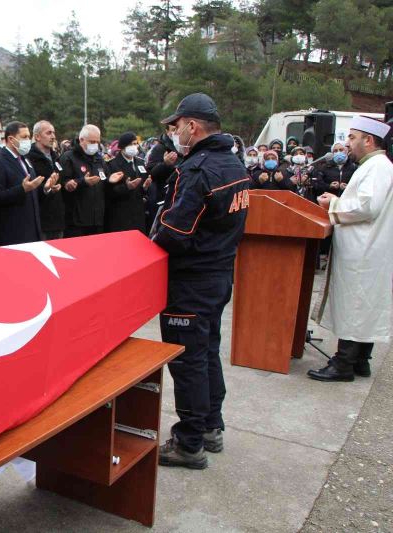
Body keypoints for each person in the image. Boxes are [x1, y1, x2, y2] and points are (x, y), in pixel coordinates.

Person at [151, 93, 249, 469]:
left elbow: (175, 232)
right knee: (207, 352)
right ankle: (211, 425)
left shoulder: (198, 170)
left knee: (189, 360)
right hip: (220, 274)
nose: (175, 134)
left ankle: (189, 442)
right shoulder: (234, 164)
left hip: (192, 281)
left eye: (176, 127)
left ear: (193, 126)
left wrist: (152, 243)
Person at [309, 116, 393, 382]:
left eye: (353, 138)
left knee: (355, 304)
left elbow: (366, 206)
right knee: (363, 304)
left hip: (364, 249)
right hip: (367, 247)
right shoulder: (376, 166)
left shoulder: (377, 167)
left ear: (369, 140)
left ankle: (344, 363)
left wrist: (333, 203)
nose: (348, 144)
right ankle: (360, 360)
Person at [0, 121, 53, 246]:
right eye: (24, 137)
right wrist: (22, 189)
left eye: (29, 137)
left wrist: (45, 188)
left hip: (33, 229)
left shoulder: (25, 159)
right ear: (11, 139)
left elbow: (31, 190)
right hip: (13, 232)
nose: (28, 140)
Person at [59, 125, 107, 237]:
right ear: (81, 140)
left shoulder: (99, 159)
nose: (95, 145)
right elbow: (63, 182)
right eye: (92, 141)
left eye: (97, 142)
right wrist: (82, 182)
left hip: (97, 219)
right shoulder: (68, 157)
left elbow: (104, 179)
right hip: (76, 222)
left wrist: (111, 180)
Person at [105, 132, 152, 234]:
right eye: (131, 144)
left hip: (138, 212)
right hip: (121, 214)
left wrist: (145, 187)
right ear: (123, 147)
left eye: (136, 144)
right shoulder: (112, 164)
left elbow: (142, 185)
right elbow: (109, 191)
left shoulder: (140, 162)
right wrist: (127, 187)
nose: (135, 147)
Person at [26, 120, 64, 241]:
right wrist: (45, 188)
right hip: (40, 219)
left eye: (53, 133)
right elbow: (28, 186)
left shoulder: (56, 157)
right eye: (48, 133)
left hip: (58, 218)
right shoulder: (28, 158)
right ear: (37, 137)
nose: (53, 136)